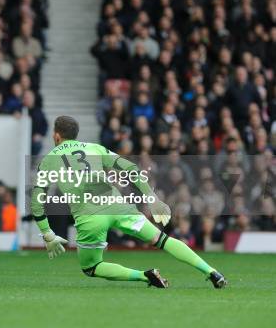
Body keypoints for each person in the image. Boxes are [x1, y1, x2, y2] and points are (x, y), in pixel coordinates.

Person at [32, 115, 227, 288]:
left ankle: (144, 276)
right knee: (163, 240)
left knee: (91, 267)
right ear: (76, 134)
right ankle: (211, 272)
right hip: (119, 206)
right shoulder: (95, 148)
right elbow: (131, 169)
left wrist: (47, 235)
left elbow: (36, 202)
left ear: (56, 136)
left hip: (90, 217)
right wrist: (153, 199)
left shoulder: (48, 161)